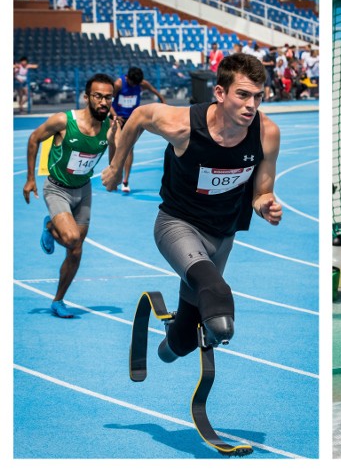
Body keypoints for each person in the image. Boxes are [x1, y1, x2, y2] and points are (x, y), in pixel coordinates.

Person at [101, 53, 282, 367]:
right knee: (216, 293)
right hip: (178, 225)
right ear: (220, 93)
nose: (251, 105)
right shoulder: (183, 125)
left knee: (185, 338)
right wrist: (116, 167)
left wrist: (264, 203)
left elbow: (262, 191)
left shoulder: (267, 133)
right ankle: (206, 319)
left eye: (258, 97)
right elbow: (141, 115)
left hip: (223, 235)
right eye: (242, 94)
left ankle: (169, 344)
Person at [23, 73, 116, 318]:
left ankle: (58, 300)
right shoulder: (64, 121)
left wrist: (116, 139)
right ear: (87, 97)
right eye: (98, 96)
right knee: (72, 238)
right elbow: (34, 138)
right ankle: (50, 225)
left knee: (75, 249)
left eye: (108, 97)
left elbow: (114, 154)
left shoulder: (109, 125)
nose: (103, 102)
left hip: (84, 190)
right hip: (57, 188)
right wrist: (31, 178)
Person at [109, 67, 166, 193]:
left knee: (129, 148)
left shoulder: (142, 83)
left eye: (136, 84)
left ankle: (125, 180)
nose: (134, 86)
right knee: (115, 145)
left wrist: (162, 102)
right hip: (117, 118)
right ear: (127, 78)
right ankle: (112, 175)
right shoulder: (118, 84)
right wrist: (115, 116)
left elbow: (157, 93)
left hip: (132, 119)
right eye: (132, 83)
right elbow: (108, 101)